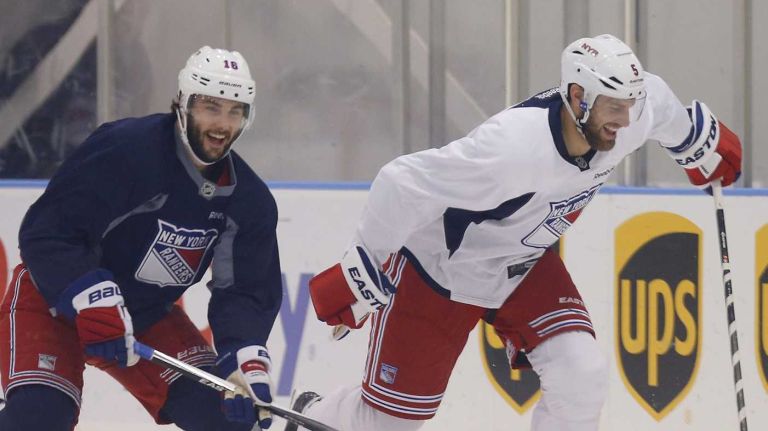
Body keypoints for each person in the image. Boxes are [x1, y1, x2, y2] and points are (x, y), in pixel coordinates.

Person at [295, 34, 742, 431]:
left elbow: (659, 102)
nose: (624, 120)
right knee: (387, 423)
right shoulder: (511, 147)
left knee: (581, 374)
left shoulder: (627, 116)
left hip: (524, 265)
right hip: (441, 271)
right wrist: (363, 270)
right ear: (577, 96)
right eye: (613, 106)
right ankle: (316, 418)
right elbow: (401, 181)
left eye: (629, 105)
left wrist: (694, 144)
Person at [0, 46, 283, 431]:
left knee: (224, 416)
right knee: (39, 418)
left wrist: (244, 357)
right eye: (211, 107)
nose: (222, 124)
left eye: (235, 111)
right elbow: (48, 231)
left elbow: (244, 292)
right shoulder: (126, 150)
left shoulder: (249, 201)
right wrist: (90, 295)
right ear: (182, 104)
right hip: (53, 301)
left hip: (146, 316)